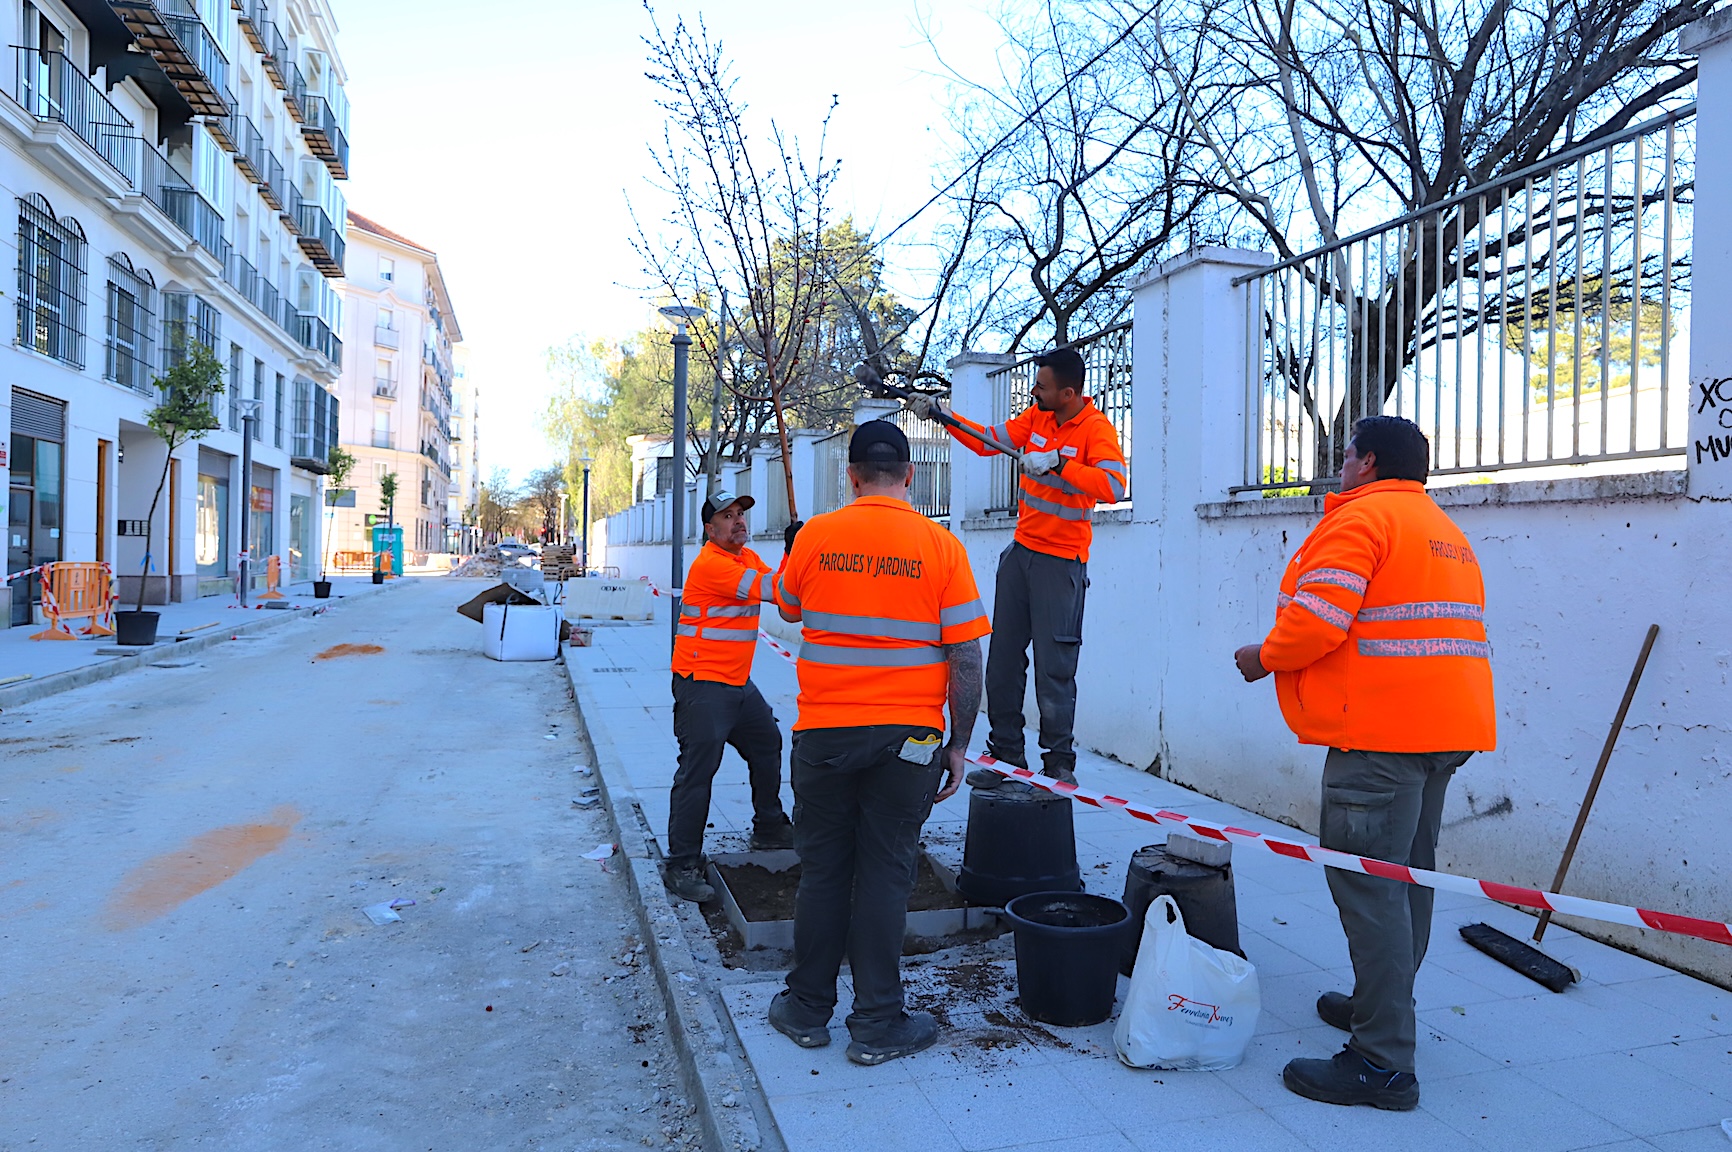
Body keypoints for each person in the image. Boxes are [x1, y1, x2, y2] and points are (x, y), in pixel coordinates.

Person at [1233, 415, 1496, 1110]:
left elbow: (1318, 621)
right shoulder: (1443, 531)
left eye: (1346, 453)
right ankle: (1379, 1006)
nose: (1341, 463)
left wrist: (1263, 657)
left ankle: (1382, 1060)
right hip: (1444, 732)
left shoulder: (1361, 519)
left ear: (1368, 461)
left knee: (1370, 889)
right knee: (1407, 879)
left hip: (1380, 738)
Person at [764, 419, 989, 1066]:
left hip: (825, 736)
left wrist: (796, 550)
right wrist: (958, 744)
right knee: (887, 874)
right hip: (910, 741)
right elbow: (966, 657)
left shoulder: (817, 536)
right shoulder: (941, 546)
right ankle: (878, 1022)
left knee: (825, 872)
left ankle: (807, 1010)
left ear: (852, 476)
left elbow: (788, 607)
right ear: (910, 475)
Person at [907, 346, 1125, 785]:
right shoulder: (1037, 418)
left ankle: (1058, 764)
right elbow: (988, 440)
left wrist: (1060, 463)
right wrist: (942, 416)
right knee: (1004, 661)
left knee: (1054, 668)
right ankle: (1007, 755)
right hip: (1020, 555)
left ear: (1068, 393)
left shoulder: (1096, 429)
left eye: (1042, 387)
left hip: (1061, 564)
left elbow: (1113, 485)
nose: (1034, 392)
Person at [663, 490, 798, 903]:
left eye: (740, 514)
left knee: (767, 742)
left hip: (736, 682)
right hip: (703, 683)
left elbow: (787, 598)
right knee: (698, 771)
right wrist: (796, 553)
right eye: (727, 516)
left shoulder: (746, 558)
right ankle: (682, 864)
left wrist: (792, 553)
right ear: (710, 529)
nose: (738, 521)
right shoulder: (712, 565)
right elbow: (775, 590)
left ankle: (769, 827)